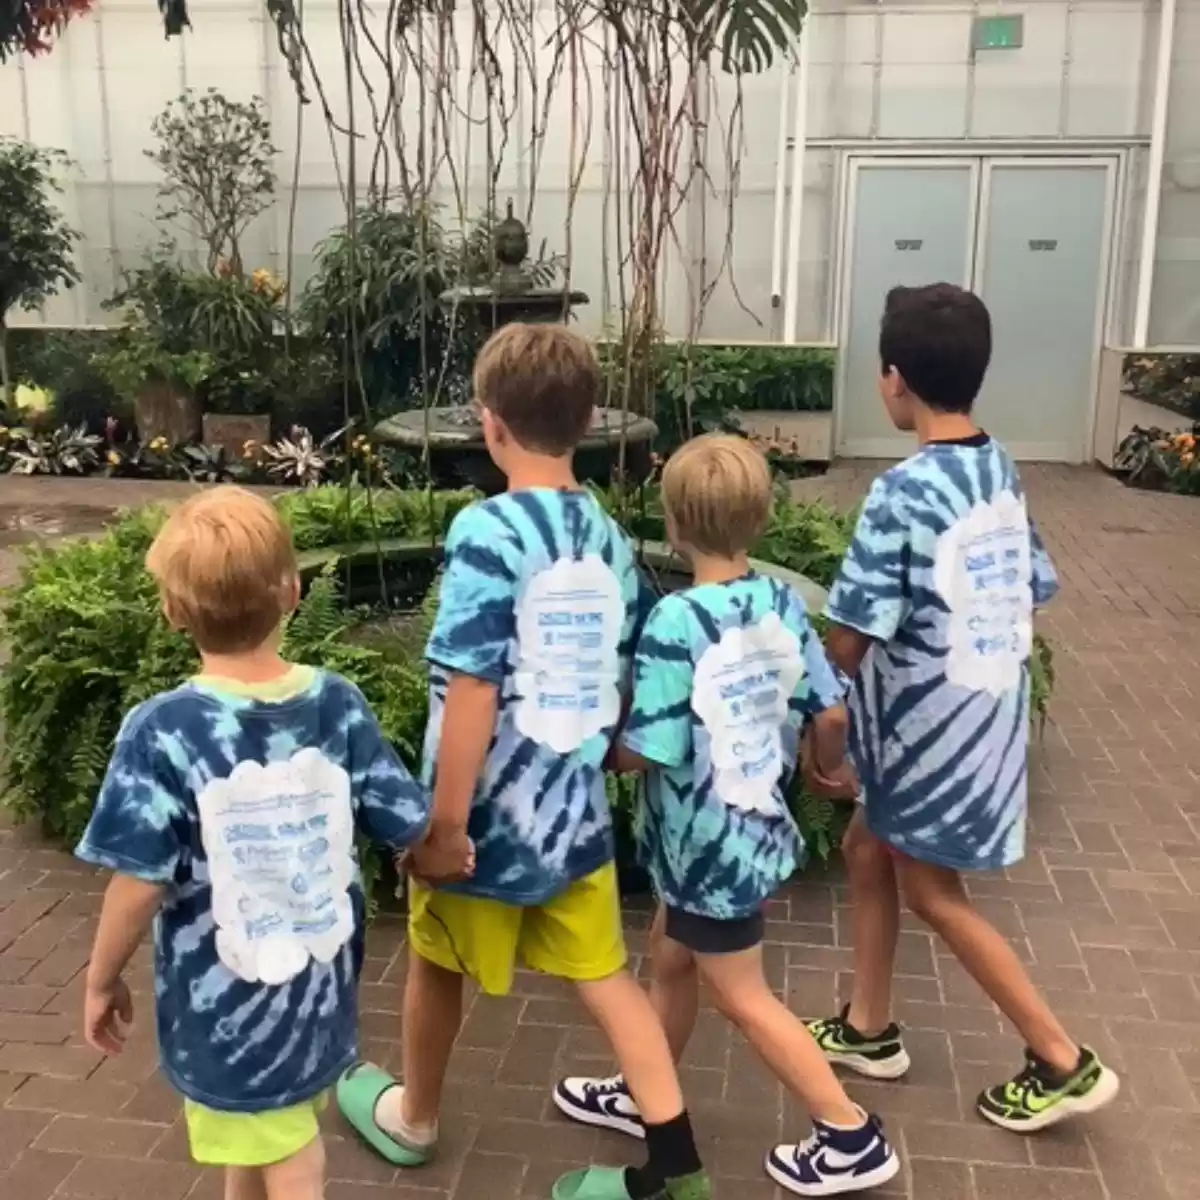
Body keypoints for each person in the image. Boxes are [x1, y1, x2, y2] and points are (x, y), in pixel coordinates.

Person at [335, 323, 711, 1200]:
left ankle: (414, 1119)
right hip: (574, 819)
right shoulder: (608, 537)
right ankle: (675, 1164)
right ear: (585, 422)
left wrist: (443, 828)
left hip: (485, 827)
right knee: (607, 979)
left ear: (489, 422)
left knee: (435, 961)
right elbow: (622, 672)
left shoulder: (487, 530)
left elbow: (472, 686)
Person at [804, 282, 1120, 1132]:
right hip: (983, 720)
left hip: (927, 739)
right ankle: (869, 1028)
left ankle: (1060, 1057)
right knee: (867, 848)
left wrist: (818, 717)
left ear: (893, 379)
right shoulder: (997, 466)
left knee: (933, 892)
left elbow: (850, 633)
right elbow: (1031, 583)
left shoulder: (903, 492)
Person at [553, 435, 900, 1198]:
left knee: (742, 996)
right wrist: (827, 766)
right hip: (747, 827)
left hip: (703, 848)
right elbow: (831, 711)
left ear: (674, 522)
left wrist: (590, 748)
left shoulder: (675, 621)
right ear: (761, 517)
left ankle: (848, 1132)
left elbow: (649, 750)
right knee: (671, 955)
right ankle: (643, 1087)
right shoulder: (781, 603)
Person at [76, 486, 429, 1200]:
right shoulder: (336, 704)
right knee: (262, 1139)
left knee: (290, 1158)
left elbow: (139, 880)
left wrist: (100, 979)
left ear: (172, 610)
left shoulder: (163, 731)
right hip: (319, 990)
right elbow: (405, 820)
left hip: (224, 1012)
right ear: (293, 591)